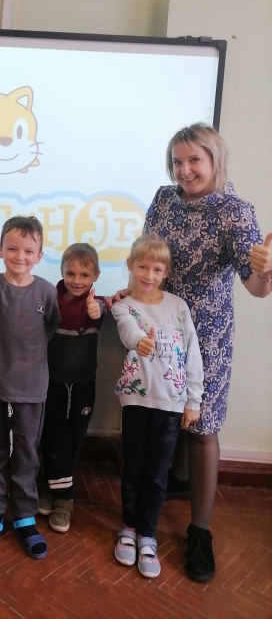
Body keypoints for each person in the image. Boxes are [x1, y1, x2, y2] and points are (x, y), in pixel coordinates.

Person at [113, 123, 272, 583]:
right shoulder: (164, 199)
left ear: (215, 159)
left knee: (202, 426)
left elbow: (256, 288)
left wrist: (267, 270)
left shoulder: (235, 211)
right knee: (162, 415)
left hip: (206, 332)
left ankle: (199, 532)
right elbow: (146, 255)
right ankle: (171, 487)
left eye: (194, 160)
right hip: (153, 323)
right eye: (177, 161)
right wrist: (128, 299)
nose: (184, 170)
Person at [0, 216, 60, 559]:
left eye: (29, 251)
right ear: (0, 250)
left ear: (40, 255)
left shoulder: (47, 291)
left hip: (32, 391)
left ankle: (24, 517)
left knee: (26, 455)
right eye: (13, 249)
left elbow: (52, 327)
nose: (20, 256)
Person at [111, 234, 203, 578]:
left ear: (166, 272)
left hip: (171, 405)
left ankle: (147, 535)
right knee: (133, 467)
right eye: (143, 267)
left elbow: (192, 353)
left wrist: (193, 400)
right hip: (136, 400)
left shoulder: (178, 306)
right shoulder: (123, 305)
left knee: (157, 472)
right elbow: (127, 330)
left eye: (157, 269)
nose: (149, 275)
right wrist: (140, 341)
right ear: (130, 266)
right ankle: (128, 528)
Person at [39, 243, 108, 533]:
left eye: (84, 275)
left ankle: (50, 488)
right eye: (71, 273)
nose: (77, 280)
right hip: (51, 383)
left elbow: (103, 309)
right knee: (53, 439)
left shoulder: (96, 303)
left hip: (83, 387)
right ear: (61, 272)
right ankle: (64, 498)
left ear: (96, 276)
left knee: (73, 441)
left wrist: (99, 308)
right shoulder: (51, 299)